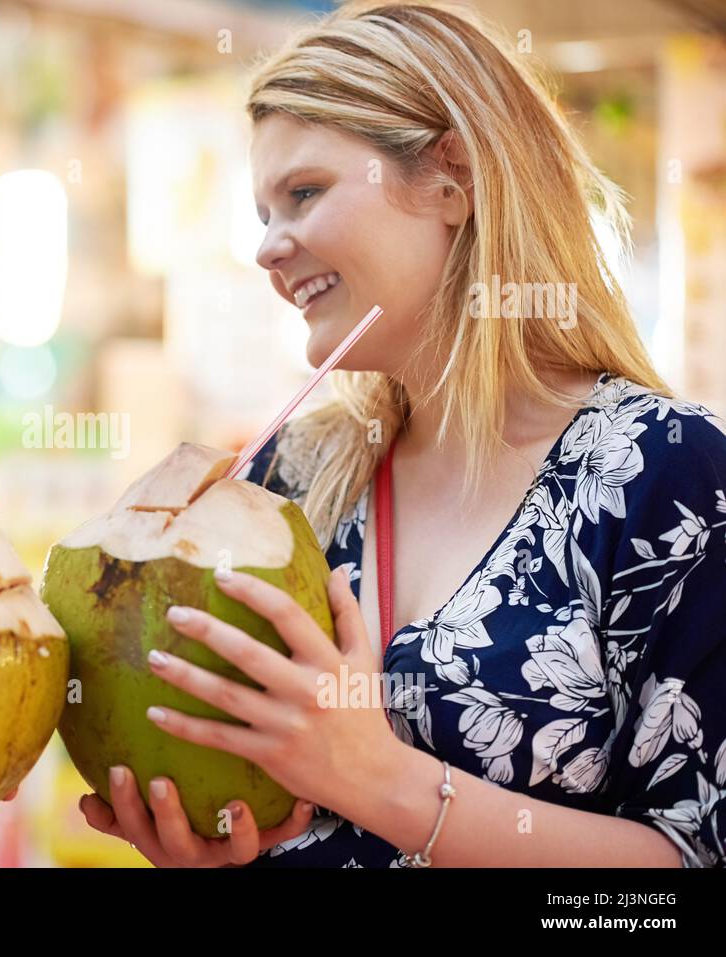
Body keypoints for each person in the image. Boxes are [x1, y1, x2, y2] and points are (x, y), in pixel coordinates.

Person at [78, 1, 726, 868]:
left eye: (303, 193)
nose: (269, 247)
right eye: (263, 212)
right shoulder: (288, 480)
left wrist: (382, 780)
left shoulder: (666, 473)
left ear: (452, 179)